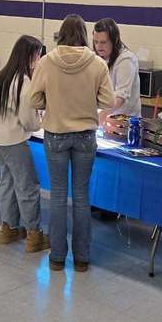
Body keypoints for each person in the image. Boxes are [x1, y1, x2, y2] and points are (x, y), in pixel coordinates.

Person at [30, 14, 114, 272]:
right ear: (84, 35)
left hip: (55, 134)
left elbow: (34, 99)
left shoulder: (46, 62)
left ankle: (57, 258)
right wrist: (86, 100)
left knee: (57, 195)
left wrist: (53, 102)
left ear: (61, 34)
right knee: (81, 196)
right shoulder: (98, 63)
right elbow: (108, 101)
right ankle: (82, 258)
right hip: (86, 136)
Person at [0, 35, 50, 252]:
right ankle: (34, 235)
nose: (39, 61)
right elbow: (29, 121)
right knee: (27, 186)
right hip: (14, 141)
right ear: (31, 56)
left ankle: (9, 228)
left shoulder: (3, 75)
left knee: (7, 183)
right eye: (38, 56)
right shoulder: (24, 82)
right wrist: (41, 119)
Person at [92, 19, 140, 118]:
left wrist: (102, 115)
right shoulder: (96, 57)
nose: (98, 46)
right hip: (104, 115)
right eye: (96, 42)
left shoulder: (126, 60)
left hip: (125, 119)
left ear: (114, 41)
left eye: (103, 42)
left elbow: (121, 97)